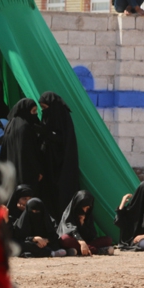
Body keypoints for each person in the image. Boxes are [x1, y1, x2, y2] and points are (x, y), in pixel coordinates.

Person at [38, 91, 79, 219]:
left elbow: (64, 141)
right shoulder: (49, 119)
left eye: (45, 108)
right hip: (49, 167)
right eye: (42, 109)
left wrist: (48, 134)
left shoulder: (63, 118)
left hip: (62, 168)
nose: (44, 112)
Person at [0, 98, 45, 196]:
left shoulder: (10, 125)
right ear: (25, 111)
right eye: (33, 111)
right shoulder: (25, 127)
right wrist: (38, 170)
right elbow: (29, 152)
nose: (35, 114)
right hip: (27, 173)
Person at [57, 190, 114, 256]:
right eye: (83, 207)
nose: (85, 211)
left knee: (108, 240)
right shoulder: (68, 214)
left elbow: (92, 235)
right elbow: (70, 230)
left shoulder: (88, 215)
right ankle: (98, 251)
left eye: (87, 208)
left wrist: (82, 224)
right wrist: (81, 241)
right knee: (64, 239)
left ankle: (76, 251)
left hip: (86, 242)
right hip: (73, 241)